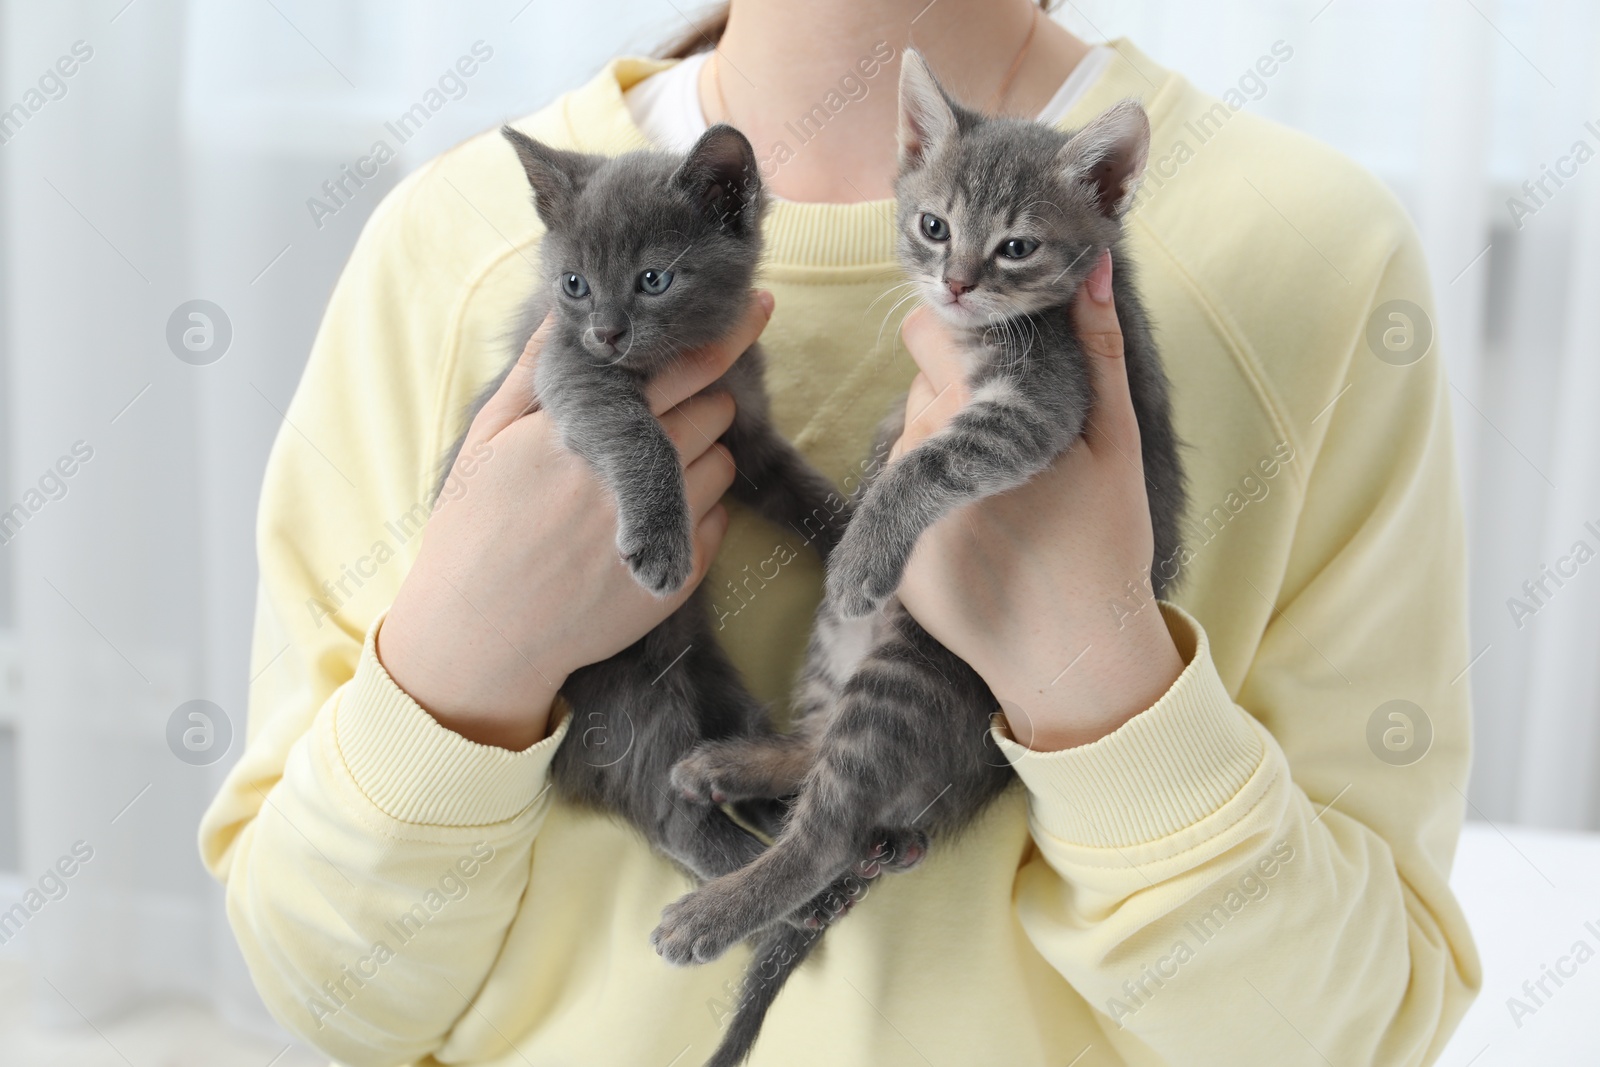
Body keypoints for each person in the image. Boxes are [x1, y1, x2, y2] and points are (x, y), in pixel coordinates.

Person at [199, 1, 1481, 1063]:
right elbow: (329, 992)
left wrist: (1101, 683)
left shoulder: (1309, 254)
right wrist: (460, 663)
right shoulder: (453, 240)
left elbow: (1355, 1032)